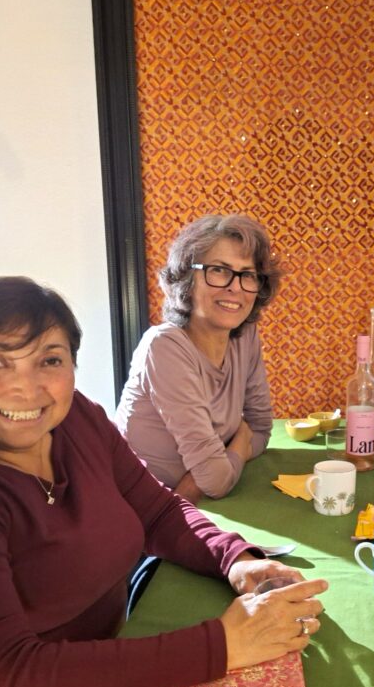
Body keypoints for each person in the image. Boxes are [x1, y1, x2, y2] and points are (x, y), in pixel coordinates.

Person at [0, 277, 326, 687]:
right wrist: (225, 643)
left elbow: (157, 511)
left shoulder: (78, 420)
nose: (27, 389)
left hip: (100, 666)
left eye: (49, 360)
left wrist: (236, 560)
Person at [115, 214, 280, 503]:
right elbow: (215, 481)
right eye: (219, 270)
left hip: (194, 508)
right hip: (140, 516)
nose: (235, 287)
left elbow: (262, 428)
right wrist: (239, 443)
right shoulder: (164, 346)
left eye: (248, 274)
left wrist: (222, 460)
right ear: (187, 279)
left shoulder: (244, 336)